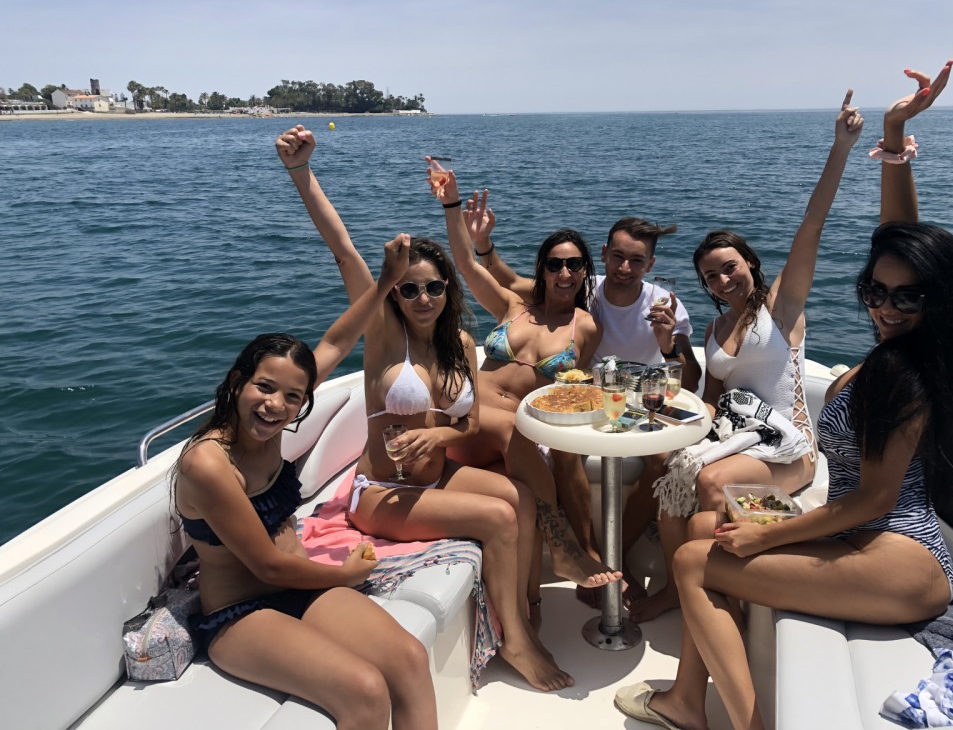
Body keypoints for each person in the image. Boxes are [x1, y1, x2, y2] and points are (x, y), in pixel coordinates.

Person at [616, 63, 953, 730]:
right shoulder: (897, 352)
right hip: (860, 537)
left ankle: (739, 720)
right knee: (700, 535)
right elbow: (899, 242)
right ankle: (688, 699)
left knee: (699, 559)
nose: (885, 307)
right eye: (876, 291)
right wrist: (893, 137)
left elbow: (874, 501)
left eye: (907, 297)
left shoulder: (906, 372)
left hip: (897, 556)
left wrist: (769, 536)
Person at [276, 127, 572, 692]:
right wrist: (301, 172)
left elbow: (467, 422)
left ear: (447, 291)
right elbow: (344, 251)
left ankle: (526, 608)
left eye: (433, 288)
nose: (422, 299)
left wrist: (441, 438)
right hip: (383, 493)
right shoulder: (384, 337)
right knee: (499, 517)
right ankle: (515, 642)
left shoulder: (460, 342)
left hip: (437, 477)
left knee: (522, 496)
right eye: (409, 290)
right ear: (395, 293)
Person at [174, 238, 440, 730]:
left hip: (303, 587)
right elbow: (268, 566)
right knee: (365, 690)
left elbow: (337, 342)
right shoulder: (208, 464)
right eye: (264, 387)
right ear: (237, 382)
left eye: (293, 396)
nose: (276, 405)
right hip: (241, 613)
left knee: (409, 657)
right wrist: (346, 574)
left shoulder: (273, 420)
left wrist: (387, 280)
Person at [630, 91, 865, 624]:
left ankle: (710, 600)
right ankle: (681, 591)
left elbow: (811, 225)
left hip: (790, 450)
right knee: (673, 476)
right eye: (711, 275)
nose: (722, 279)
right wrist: (672, 414)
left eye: (729, 267)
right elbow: (712, 400)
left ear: (751, 265)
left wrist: (841, 149)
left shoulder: (780, 309)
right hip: (736, 439)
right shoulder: (714, 329)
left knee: (710, 483)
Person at [463, 201, 702, 609]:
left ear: (650, 264)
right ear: (605, 254)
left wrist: (668, 346)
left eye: (637, 260)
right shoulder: (579, 287)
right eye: (618, 256)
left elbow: (690, 378)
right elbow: (510, 282)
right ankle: (588, 555)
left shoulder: (664, 303)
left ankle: (614, 556)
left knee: (662, 462)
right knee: (565, 451)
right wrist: (483, 244)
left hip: (639, 397)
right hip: (587, 395)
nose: (625, 267)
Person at [426, 159, 622, 615]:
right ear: (544, 270)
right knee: (516, 432)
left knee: (527, 498)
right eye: (555, 264)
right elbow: (464, 264)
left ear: (585, 271)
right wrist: (452, 206)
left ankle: (530, 609)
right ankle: (566, 548)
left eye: (574, 264)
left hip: (514, 437)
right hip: (466, 421)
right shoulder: (512, 305)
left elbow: (573, 390)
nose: (564, 273)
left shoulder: (585, 327)